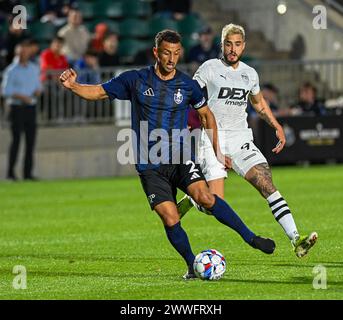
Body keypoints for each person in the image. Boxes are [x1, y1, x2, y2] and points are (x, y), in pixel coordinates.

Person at [59, 29, 275, 279]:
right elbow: (98, 92)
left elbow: (206, 115)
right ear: (156, 53)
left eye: (176, 53)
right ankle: (193, 265)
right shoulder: (135, 80)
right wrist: (73, 86)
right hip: (150, 165)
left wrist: (217, 150)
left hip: (180, 157)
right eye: (166, 53)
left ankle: (251, 238)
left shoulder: (187, 85)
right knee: (170, 216)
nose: (171, 59)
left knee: (204, 197)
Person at [178, 24, 318, 258]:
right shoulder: (209, 68)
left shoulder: (249, 73)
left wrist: (276, 125)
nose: (233, 49)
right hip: (212, 137)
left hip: (241, 138)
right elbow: (189, 97)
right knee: (215, 204)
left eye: (237, 44)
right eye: (228, 44)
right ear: (222, 45)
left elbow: (259, 104)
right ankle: (194, 199)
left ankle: (296, 239)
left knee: (266, 184)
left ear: (244, 46)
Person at [1, 40, 42, 181]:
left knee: (31, 142)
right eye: (21, 51)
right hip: (17, 107)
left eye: (26, 51)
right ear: (17, 53)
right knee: (16, 140)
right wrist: (21, 96)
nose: (24, 54)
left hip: (31, 107)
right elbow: (6, 91)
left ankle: (28, 173)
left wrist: (37, 91)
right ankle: (11, 173)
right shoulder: (11, 70)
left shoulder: (34, 68)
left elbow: (38, 86)